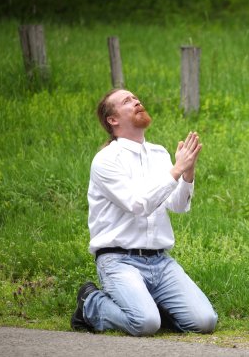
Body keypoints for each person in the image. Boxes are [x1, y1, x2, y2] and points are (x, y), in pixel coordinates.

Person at [71, 88, 218, 336]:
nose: (136, 101)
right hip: (118, 260)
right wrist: (176, 170)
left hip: (160, 261)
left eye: (136, 98)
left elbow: (179, 205)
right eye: (127, 101)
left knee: (205, 322)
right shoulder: (106, 160)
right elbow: (138, 205)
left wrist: (188, 172)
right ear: (113, 120)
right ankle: (91, 303)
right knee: (145, 324)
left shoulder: (158, 154)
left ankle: (150, 304)